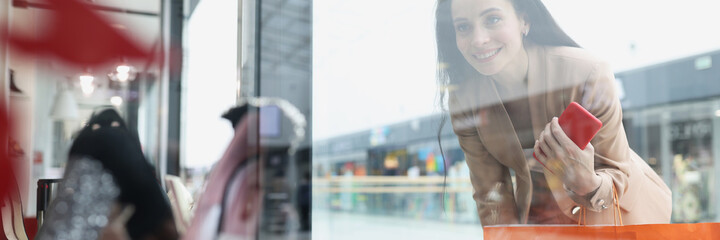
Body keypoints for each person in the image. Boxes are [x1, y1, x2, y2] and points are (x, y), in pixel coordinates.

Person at [435, 0, 671, 225]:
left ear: (523, 21)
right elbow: (491, 194)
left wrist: (586, 182)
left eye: (493, 19)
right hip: (540, 220)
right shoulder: (464, 100)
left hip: (614, 216)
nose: (479, 39)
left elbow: (618, 174)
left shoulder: (586, 74)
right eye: (463, 27)